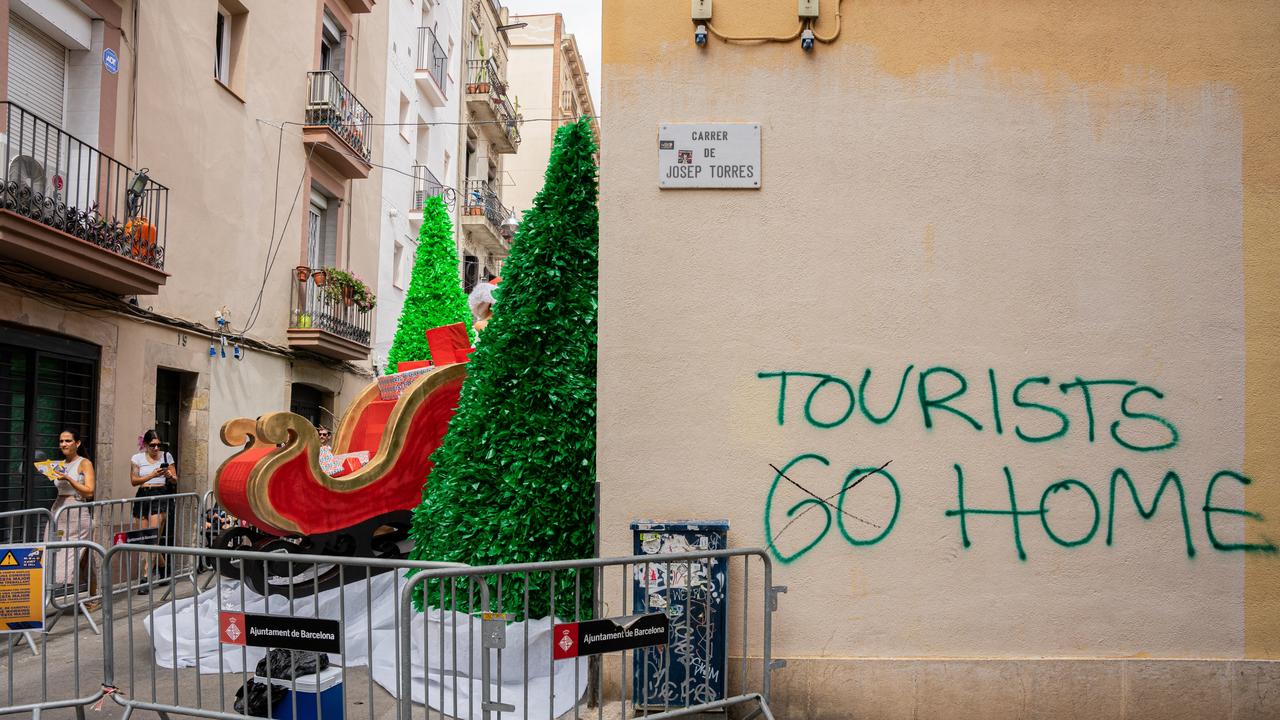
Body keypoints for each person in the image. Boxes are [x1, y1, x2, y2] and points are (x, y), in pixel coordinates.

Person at [130, 429, 177, 593]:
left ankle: (145, 578)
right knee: (146, 539)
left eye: (158, 445)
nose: (156, 448)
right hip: (143, 495)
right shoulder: (137, 458)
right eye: (152, 445)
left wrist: (169, 475)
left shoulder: (167, 456)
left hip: (161, 495)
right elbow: (134, 481)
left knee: (152, 538)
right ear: (145, 445)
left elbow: (175, 478)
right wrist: (151, 475)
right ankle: (164, 568)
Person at [48, 430, 95, 589]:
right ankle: (54, 591)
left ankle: (92, 594)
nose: (63, 444)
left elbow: (89, 491)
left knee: (79, 554)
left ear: (77, 443)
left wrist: (68, 478)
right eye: (61, 441)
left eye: (68, 441)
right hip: (58, 511)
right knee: (54, 550)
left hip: (76, 512)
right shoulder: (59, 464)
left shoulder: (84, 463)